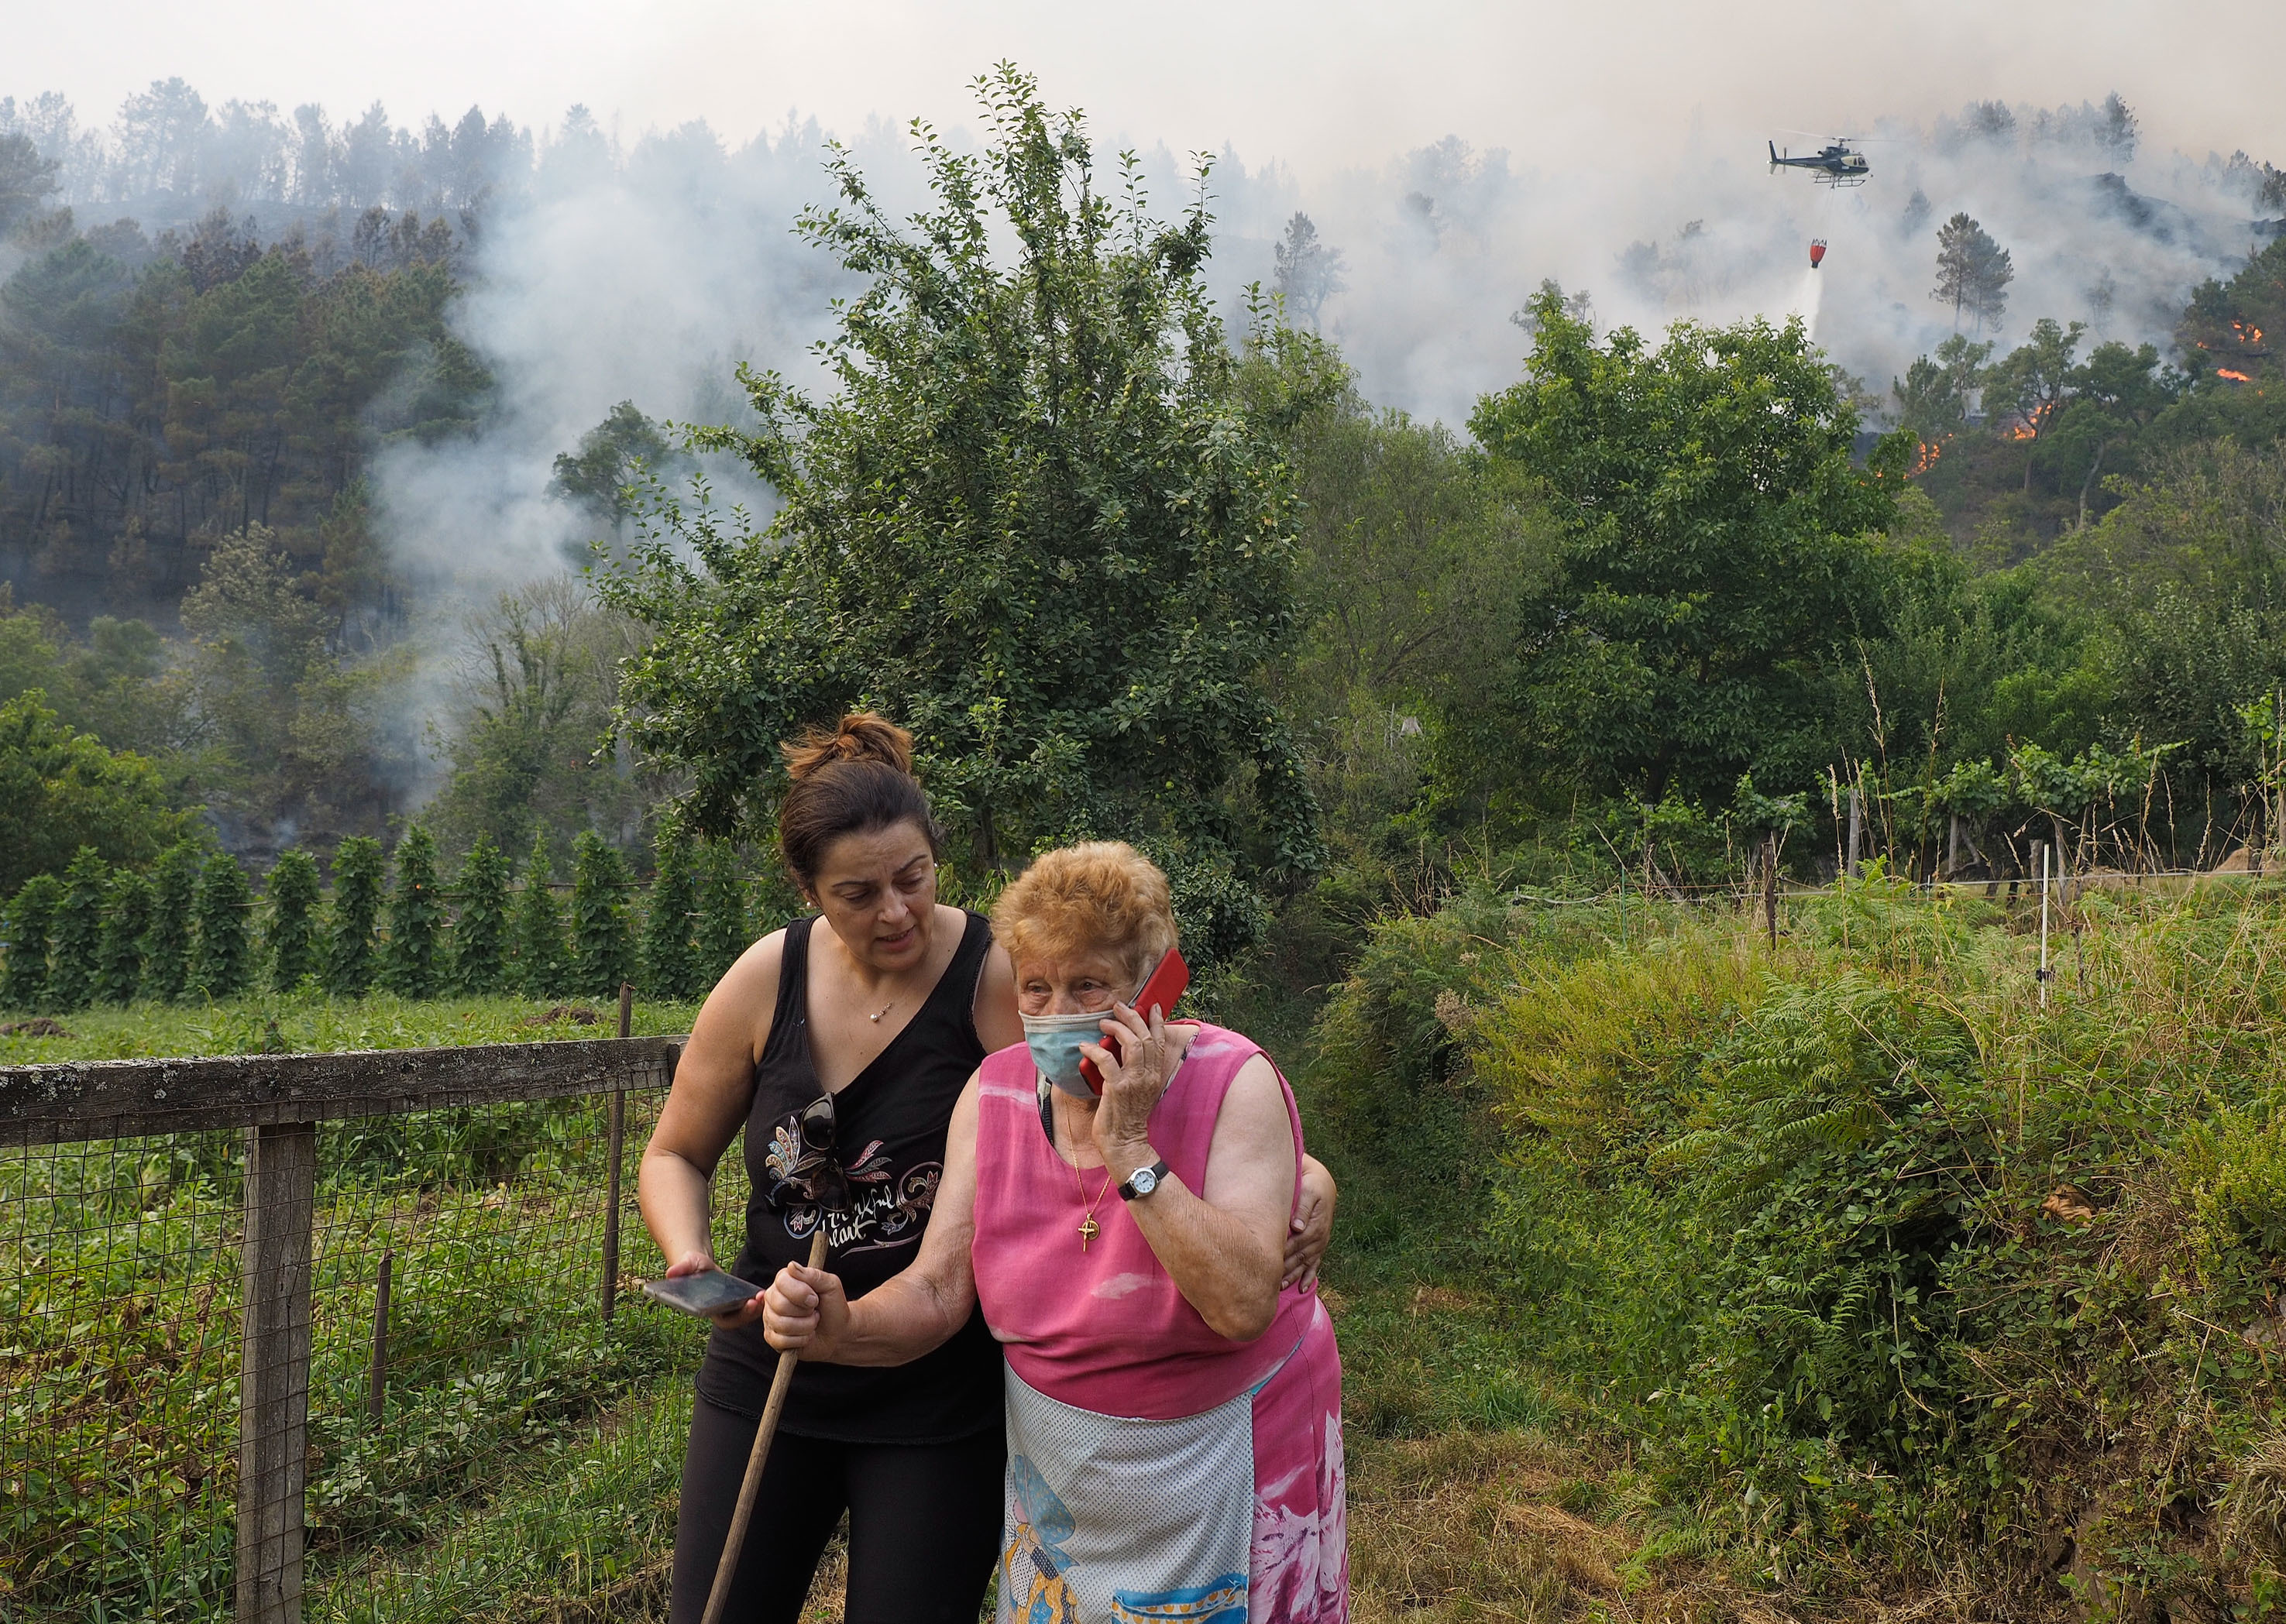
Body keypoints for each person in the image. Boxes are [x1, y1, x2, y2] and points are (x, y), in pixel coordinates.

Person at [640, 718, 1338, 1624]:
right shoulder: (772, 980)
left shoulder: (999, 975)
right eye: (857, 893)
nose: (894, 911)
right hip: (786, 1348)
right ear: (807, 890)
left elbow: (1137, 1077)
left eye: (913, 880)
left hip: (940, 1386)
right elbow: (675, 1151)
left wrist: (1300, 1165)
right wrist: (695, 1257)